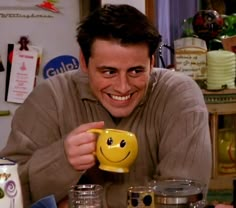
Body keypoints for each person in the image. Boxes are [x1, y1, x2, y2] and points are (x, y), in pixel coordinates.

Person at [0, 4, 212, 208]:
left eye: (136, 71)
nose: (122, 87)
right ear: (84, 62)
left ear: (151, 62)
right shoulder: (50, 98)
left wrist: (86, 199)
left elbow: (183, 196)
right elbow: (8, 192)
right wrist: (62, 160)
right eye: (108, 72)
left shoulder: (180, 95)